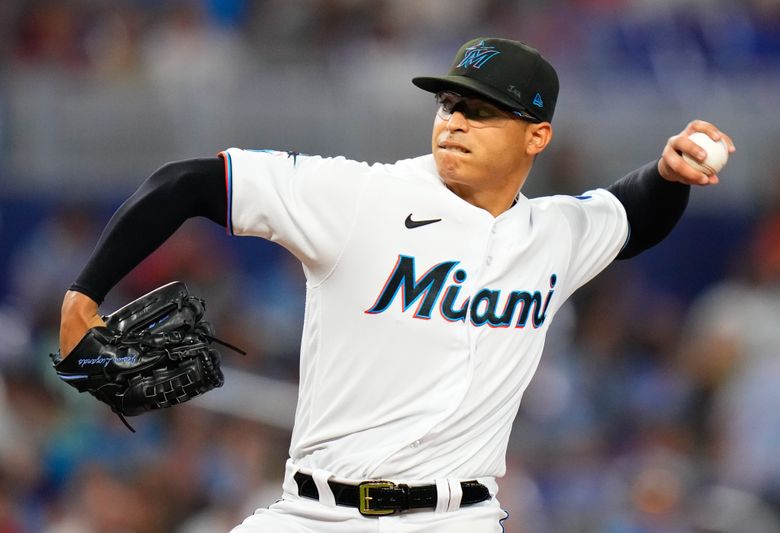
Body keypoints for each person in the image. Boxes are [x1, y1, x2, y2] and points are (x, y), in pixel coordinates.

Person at [58, 37, 735, 532]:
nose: (456, 121)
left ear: (537, 136)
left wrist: (670, 176)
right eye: (449, 103)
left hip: (455, 518)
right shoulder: (363, 196)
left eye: (483, 110)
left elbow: (630, 215)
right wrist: (84, 294)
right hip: (312, 512)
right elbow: (185, 183)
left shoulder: (555, 232)